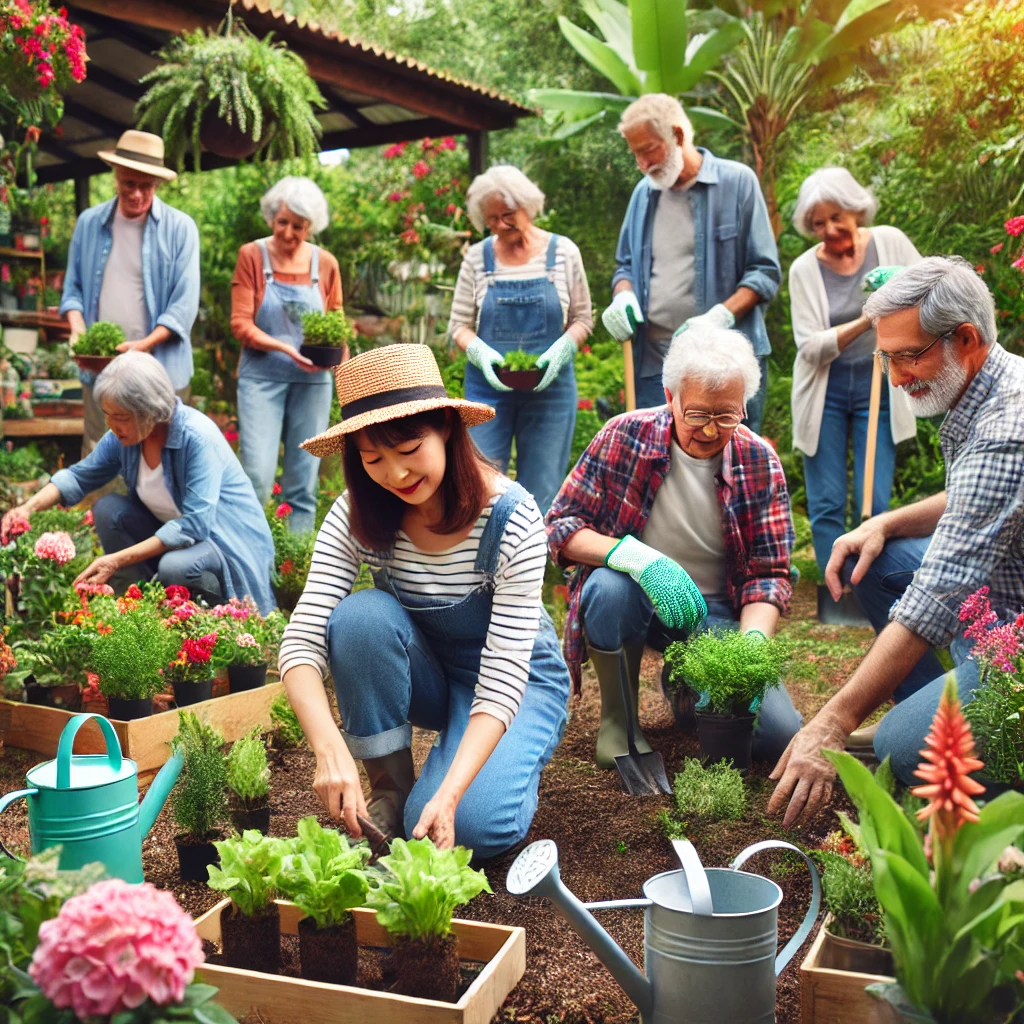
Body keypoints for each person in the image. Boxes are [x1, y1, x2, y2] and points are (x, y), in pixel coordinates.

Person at [278, 344, 570, 856]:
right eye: (373, 459)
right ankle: (390, 792)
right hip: (431, 670)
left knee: (470, 828)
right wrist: (328, 750)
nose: (394, 475)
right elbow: (301, 640)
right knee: (360, 618)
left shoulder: (511, 517)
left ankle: (478, 774)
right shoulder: (358, 513)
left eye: (409, 450)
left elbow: (503, 679)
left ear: (448, 430)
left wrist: (453, 794)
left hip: (517, 682)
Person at [769, 257, 1024, 826]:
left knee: (904, 748)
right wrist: (883, 523)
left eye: (910, 355)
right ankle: (947, 704)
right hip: (1000, 611)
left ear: (965, 338)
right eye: (889, 356)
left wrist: (831, 722)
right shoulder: (994, 385)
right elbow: (974, 497)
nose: (899, 374)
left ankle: (997, 798)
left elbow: (933, 599)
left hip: (1017, 648)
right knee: (878, 561)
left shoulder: (1008, 426)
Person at [546, 325, 801, 769]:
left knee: (775, 735)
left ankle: (685, 684)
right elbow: (560, 527)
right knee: (608, 587)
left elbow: (769, 574)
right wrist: (636, 558)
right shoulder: (623, 436)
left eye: (726, 417)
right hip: (635, 597)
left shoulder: (759, 460)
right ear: (670, 395)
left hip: (714, 612)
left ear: (743, 407)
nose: (709, 430)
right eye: (698, 414)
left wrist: (750, 649)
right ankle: (618, 722)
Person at [1, 352, 275, 614]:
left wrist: (117, 559)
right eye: (107, 414)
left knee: (175, 567)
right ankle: (141, 603)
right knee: (108, 509)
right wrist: (26, 508)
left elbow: (195, 525)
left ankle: (216, 611)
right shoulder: (125, 438)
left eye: (120, 417)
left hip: (221, 541)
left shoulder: (196, 438)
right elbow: (79, 476)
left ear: (150, 411)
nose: (111, 424)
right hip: (175, 537)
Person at [602, 94, 781, 429]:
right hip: (655, 364)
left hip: (725, 365)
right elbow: (624, 266)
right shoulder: (643, 194)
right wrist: (622, 294)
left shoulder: (737, 183)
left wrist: (720, 316)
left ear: (678, 136)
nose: (642, 163)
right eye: (635, 153)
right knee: (658, 471)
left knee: (729, 470)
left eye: (649, 149)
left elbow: (765, 271)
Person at [790, 168, 921, 578]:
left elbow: (930, 289)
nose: (828, 229)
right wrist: (867, 319)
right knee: (827, 500)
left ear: (854, 210)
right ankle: (835, 589)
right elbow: (809, 346)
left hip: (879, 387)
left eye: (835, 217)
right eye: (817, 223)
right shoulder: (803, 269)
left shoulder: (891, 242)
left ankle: (867, 582)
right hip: (824, 393)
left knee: (874, 496)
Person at [449, 165, 593, 514]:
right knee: (480, 482)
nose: (499, 225)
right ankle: (481, 564)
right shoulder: (476, 258)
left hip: (551, 390)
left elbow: (583, 319)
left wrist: (562, 349)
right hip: (487, 388)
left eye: (507, 215)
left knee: (542, 486)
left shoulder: (563, 253)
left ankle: (533, 564)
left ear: (528, 206)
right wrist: (481, 353)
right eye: (491, 219)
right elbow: (458, 326)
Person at [59, 130, 200, 456]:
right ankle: (100, 509)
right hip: (101, 367)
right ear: (116, 177)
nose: (137, 193)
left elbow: (184, 305)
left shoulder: (180, 229)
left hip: (163, 367)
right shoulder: (89, 223)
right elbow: (73, 290)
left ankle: (166, 510)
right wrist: (79, 331)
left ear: (157, 184)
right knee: (100, 450)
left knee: (168, 453)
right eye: (129, 184)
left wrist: (142, 347)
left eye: (146, 186)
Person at [230, 176, 345, 533]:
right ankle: (250, 559)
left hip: (312, 383)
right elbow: (240, 324)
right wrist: (285, 348)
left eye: (299, 226)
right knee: (257, 478)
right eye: (283, 223)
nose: (290, 233)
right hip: (261, 380)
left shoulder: (325, 264)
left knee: (302, 484)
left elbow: (337, 323)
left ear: (312, 225)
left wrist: (347, 381)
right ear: (270, 218)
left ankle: (294, 567)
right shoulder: (252, 255)